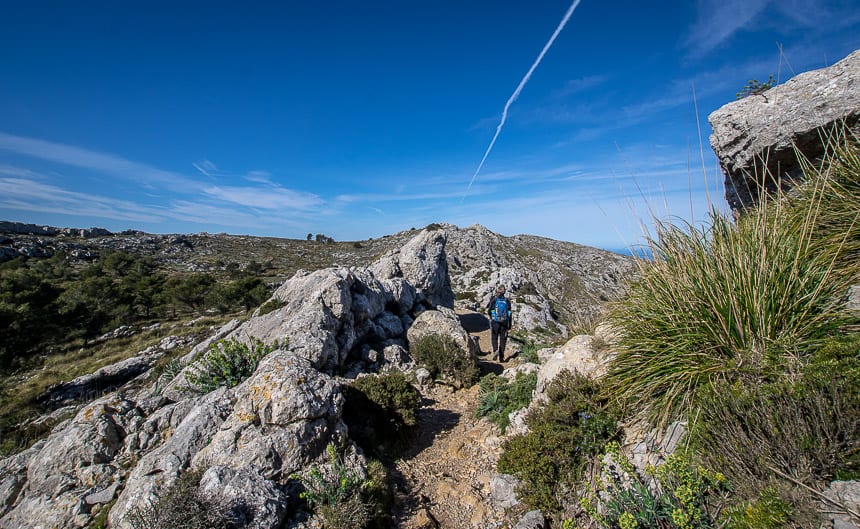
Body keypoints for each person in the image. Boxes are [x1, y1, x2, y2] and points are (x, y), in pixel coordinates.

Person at [486, 285, 512, 362]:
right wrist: (509, 325)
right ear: (504, 292)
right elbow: (509, 313)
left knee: (494, 337)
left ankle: (495, 351)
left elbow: (489, 311)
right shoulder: (507, 301)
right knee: (503, 340)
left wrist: (491, 317)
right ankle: (501, 357)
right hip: (504, 323)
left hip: (495, 322)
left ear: (497, 291)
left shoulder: (494, 300)